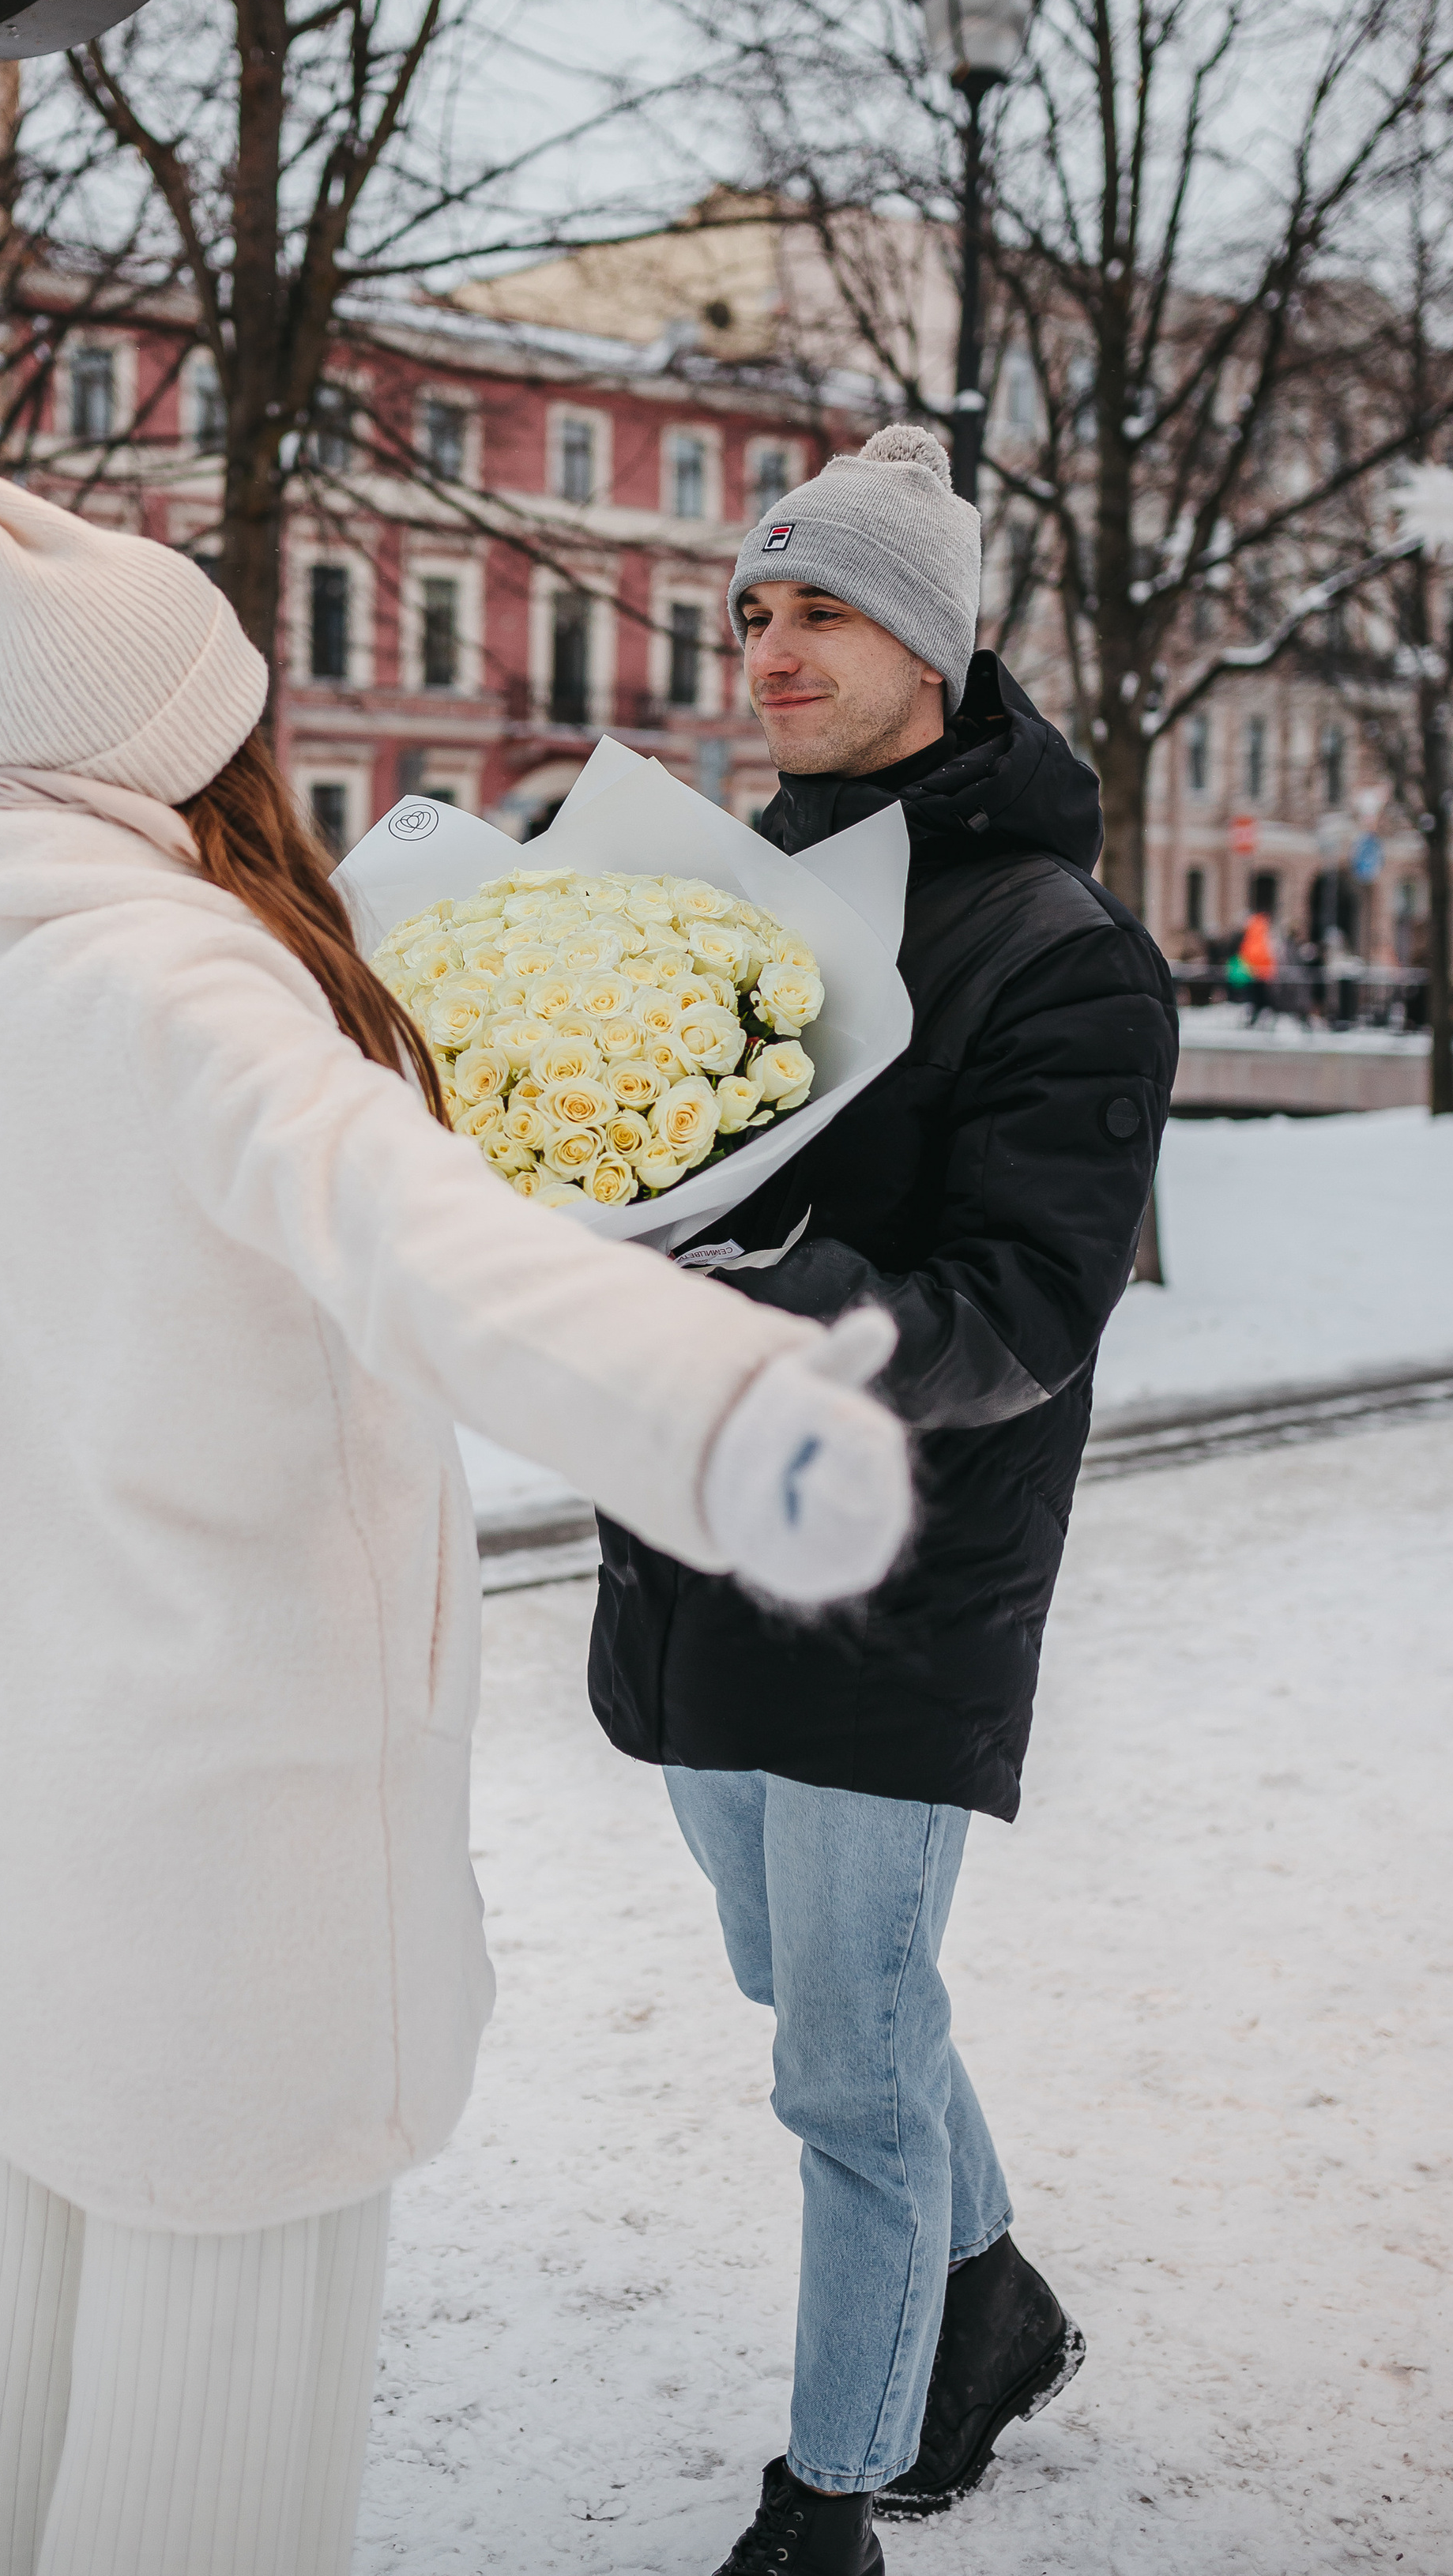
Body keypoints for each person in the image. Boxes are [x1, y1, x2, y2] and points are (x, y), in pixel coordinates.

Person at [0, 467, 911, 2576]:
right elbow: (433, 1249)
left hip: (37, 1805)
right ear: (196, 739)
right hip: (233, 1872)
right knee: (211, 2462)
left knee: (15, 2349)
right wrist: (721, 1409)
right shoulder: (196, 1000)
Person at [586, 424, 1178, 2576]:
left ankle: (829, 2497)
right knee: (801, 1975)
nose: (770, 648)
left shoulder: (1064, 950)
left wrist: (779, 1287)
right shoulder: (724, 896)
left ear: (939, 638)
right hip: (692, 1518)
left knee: (844, 2064)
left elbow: (1026, 1309)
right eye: (753, 610)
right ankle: (992, 2292)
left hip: (900, 1571)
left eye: (821, 606)